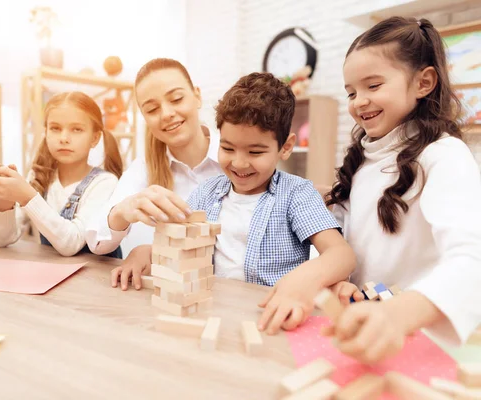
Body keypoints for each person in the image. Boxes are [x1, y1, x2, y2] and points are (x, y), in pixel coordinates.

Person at [324, 16, 481, 364]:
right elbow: (350, 252)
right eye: (351, 92)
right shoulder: (362, 160)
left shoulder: (444, 156)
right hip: (364, 332)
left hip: (418, 340)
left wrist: (399, 314)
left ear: (423, 82)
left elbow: (473, 258)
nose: (359, 101)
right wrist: (341, 284)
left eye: (373, 85)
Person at [184, 72, 355, 334]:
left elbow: (341, 255)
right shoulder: (204, 193)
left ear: (285, 147)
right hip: (213, 315)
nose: (239, 163)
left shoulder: (296, 194)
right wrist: (144, 253)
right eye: (228, 148)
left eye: (255, 152)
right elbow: (180, 248)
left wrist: (306, 280)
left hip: (273, 318)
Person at [86, 58, 223, 287]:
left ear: (197, 96)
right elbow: (97, 242)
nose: (167, 113)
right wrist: (122, 211)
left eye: (176, 99)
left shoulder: (236, 159)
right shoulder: (144, 168)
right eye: (152, 109)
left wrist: (153, 252)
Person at [0, 92, 123, 257]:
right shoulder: (40, 177)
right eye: (55, 128)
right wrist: (6, 200)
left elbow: (71, 243)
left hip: (96, 280)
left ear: (95, 138)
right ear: (46, 132)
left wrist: (27, 196)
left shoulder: (105, 182)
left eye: (77, 129)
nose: (64, 138)